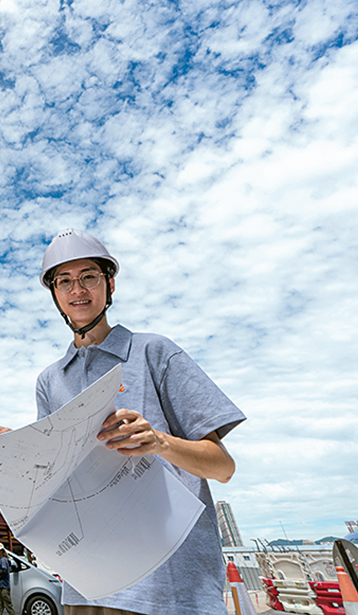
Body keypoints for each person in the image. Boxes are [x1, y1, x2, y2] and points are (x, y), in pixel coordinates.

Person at [35, 229, 246, 615]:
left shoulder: (154, 353)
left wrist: (159, 442)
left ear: (110, 284)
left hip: (168, 587)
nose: (77, 289)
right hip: (87, 587)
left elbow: (223, 467)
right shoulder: (51, 381)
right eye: (64, 281)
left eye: (88, 277)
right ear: (55, 293)